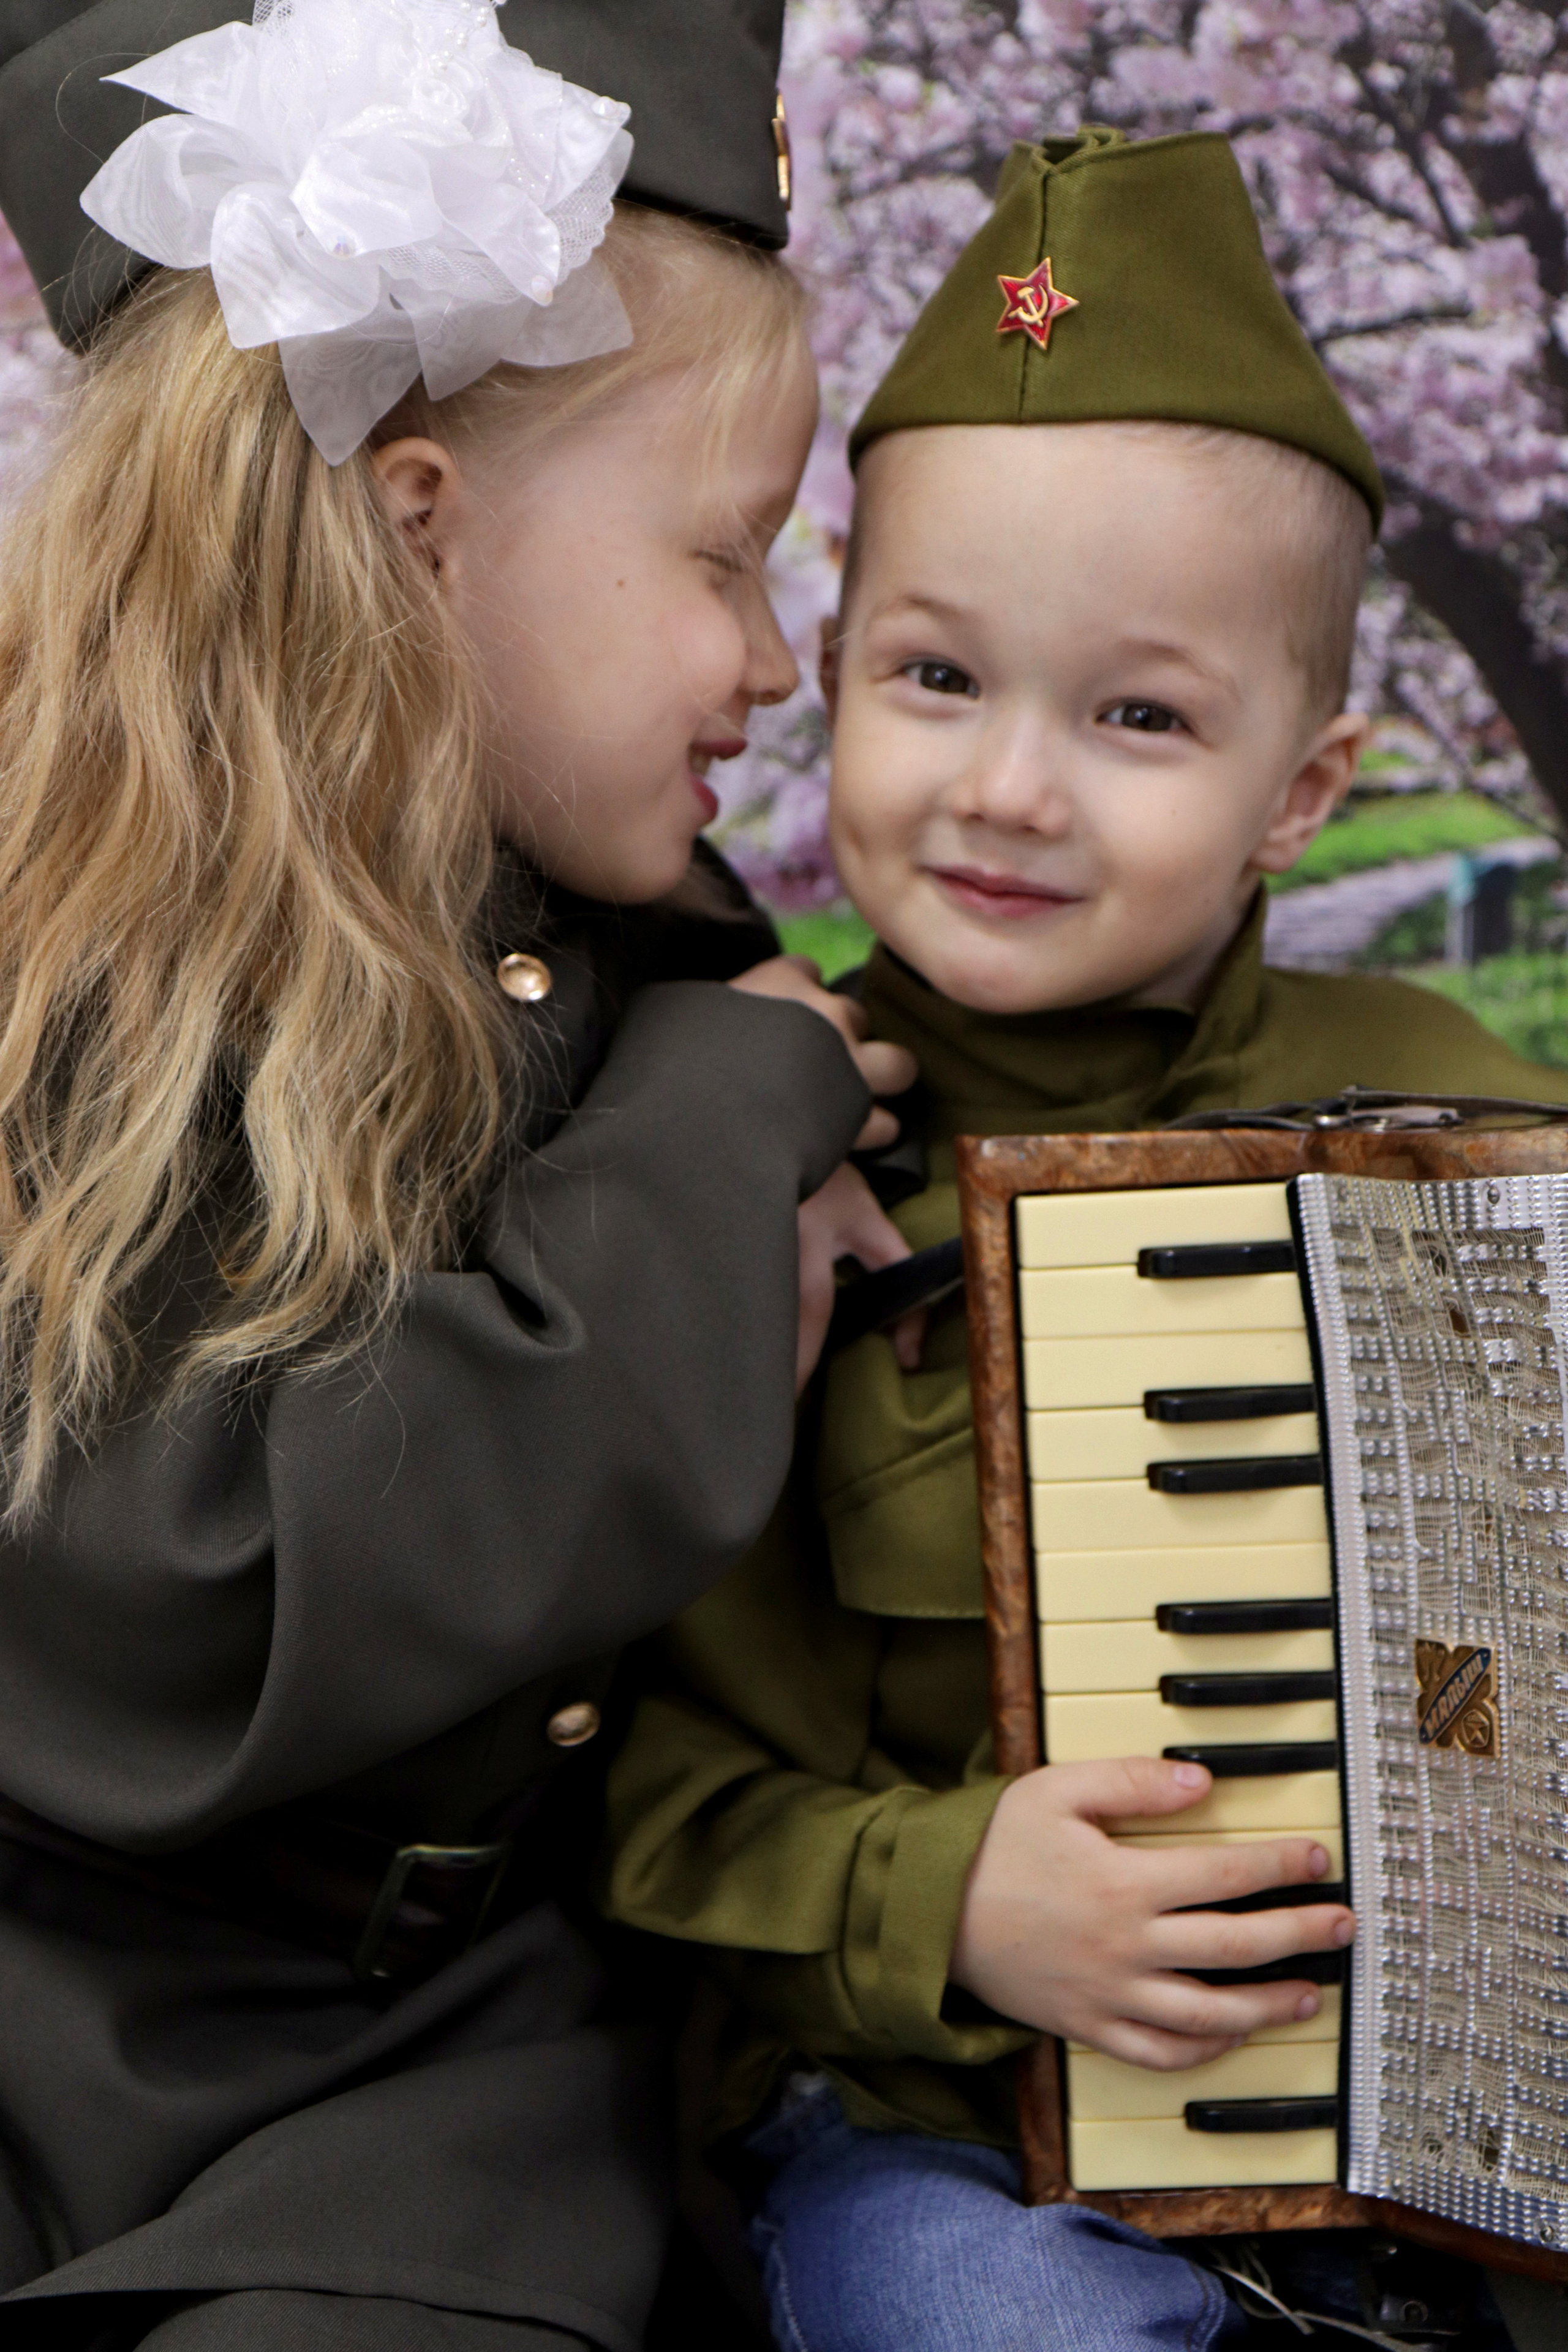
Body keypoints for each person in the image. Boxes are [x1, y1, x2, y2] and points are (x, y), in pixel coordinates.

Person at [0, 1, 922, 2346]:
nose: (777, 662)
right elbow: (205, 1599)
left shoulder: (654, 947)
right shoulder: (72, 986)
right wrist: (721, 1133)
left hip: (436, 2115)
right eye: (727, 557)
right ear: (422, 528)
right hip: (57, 2058)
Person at [598, 127, 1568, 2351]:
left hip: (1440, 2124)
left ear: (1306, 788)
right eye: (937, 678)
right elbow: (642, 1792)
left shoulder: (1472, 1116)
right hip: (939, 2121)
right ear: (831, 671)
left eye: (1137, 716)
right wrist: (953, 1898)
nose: (1012, 787)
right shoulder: (739, 1154)